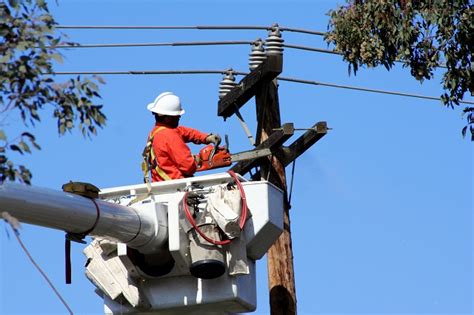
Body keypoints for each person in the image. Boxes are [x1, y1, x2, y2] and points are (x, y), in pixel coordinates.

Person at [142, 92, 221, 182]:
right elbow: (188, 166)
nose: (179, 116)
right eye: (177, 115)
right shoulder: (170, 136)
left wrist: (206, 137)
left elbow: (185, 132)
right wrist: (198, 159)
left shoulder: (156, 133)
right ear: (168, 117)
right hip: (176, 187)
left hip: (161, 185)